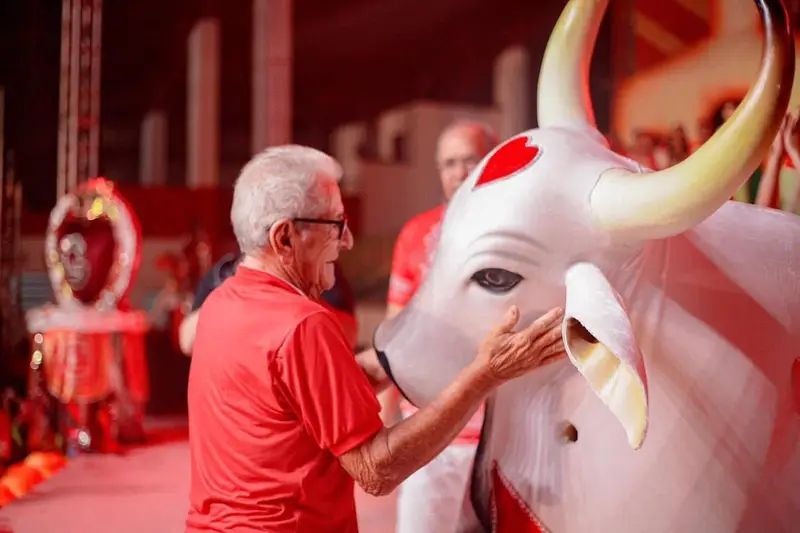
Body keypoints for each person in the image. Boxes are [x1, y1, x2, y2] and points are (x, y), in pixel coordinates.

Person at [186, 145, 565, 532]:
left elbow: (297, 398)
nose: (347, 240)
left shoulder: (221, 304)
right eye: (334, 225)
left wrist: (414, 345)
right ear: (284, 237)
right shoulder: (302, 324)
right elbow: (376, 470)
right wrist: (486, 375)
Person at [384, 121, 499, 533]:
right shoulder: (416, 234)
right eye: (449, 163)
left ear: (492, 159)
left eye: (470, 159)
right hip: (432, 433)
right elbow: (396, 329)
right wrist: (388, 414)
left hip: (503, 434)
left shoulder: (519, 232)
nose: (460, 171)